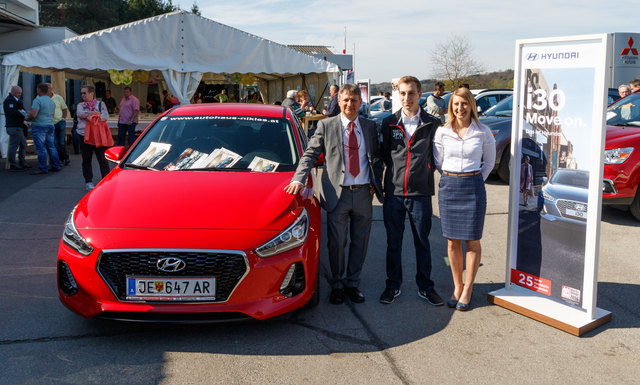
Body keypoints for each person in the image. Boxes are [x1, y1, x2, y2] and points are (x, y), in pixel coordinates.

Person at [284, 83, 383, 305]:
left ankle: (352, 284)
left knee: (360, 242)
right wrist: (299, 178)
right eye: (345, 100)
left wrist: (376, 184)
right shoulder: (326, 126)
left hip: (363, 195)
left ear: (360, 102)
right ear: (339, 101)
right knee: (337, 243)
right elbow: (310, 154)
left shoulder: (369, 126)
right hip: (337, 194)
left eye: (354, 100)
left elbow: (376, 158)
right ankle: (337, 284)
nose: (350, 104)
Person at [378, 76, 444, 306]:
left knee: (422, 243)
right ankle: (392, 285)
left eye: (411, 93)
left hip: (420, 194)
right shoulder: (388, 123)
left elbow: (438, 156)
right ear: (399, 95)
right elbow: (384, 156)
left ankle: (425, 287)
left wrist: (425, 171)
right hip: (394, 194)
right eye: (403, 93)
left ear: (420, 94)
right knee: (393, 243)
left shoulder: (432, 124)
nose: (407, 98)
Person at [433, 87, 496, 311]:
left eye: (464, 104)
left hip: (473, 188)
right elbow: (439, 162)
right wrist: (452, 177)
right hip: (449, 187)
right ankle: (457, 285)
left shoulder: (483, 131)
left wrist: (474, 179)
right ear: (451, 107)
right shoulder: (442, 132)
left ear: (472, 106)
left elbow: (489, 162)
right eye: (456, 104)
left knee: (472, 241)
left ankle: (468, 288)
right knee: (451, 241)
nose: (460, 108)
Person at [76, 85, 110, 191]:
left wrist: (89, 116)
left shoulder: (100, 104)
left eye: (84, 93)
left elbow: (105, 116)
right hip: (84, 134)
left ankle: (106, 179)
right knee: (86, 159)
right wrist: (95, 115)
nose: (82, 95)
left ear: (92, 93)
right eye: (81, 93)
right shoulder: (80, 105)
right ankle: (88, 181)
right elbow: (80, 114)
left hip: (98, 135)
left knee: (102, 159)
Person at [26, 83, 61, 175]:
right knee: (51, 146)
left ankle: (42, 168)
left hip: (39, 125)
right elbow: (51, 114)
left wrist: (26, 118)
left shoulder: (37, 100)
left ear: (39, 90)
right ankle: (56, 165)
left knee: (41, 148)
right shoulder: (51, 101)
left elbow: (34, 114)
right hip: (50, 125)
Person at [3, 85, 30, 170]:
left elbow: (18, 111)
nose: (20, 94)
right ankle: (13, 164)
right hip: (13, 126)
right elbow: (11, 112)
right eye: (18, 93)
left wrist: (25, 114)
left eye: (20, 93)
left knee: (22, 144)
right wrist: (23, 115)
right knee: (14, 145)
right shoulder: (9, 100)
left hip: (17, 126)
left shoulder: (17, 100)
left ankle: (21, 162)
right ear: (12, 92)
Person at [48, 83, 70, 166]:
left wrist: (63, 118)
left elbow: (64, 108)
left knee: (61, 143)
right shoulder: (40, 97)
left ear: (51, 89)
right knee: (55, 143)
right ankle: (62, 158)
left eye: (48, 88)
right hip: (49, 123)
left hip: (60, 122)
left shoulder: (58, 97)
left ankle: (64, 158)